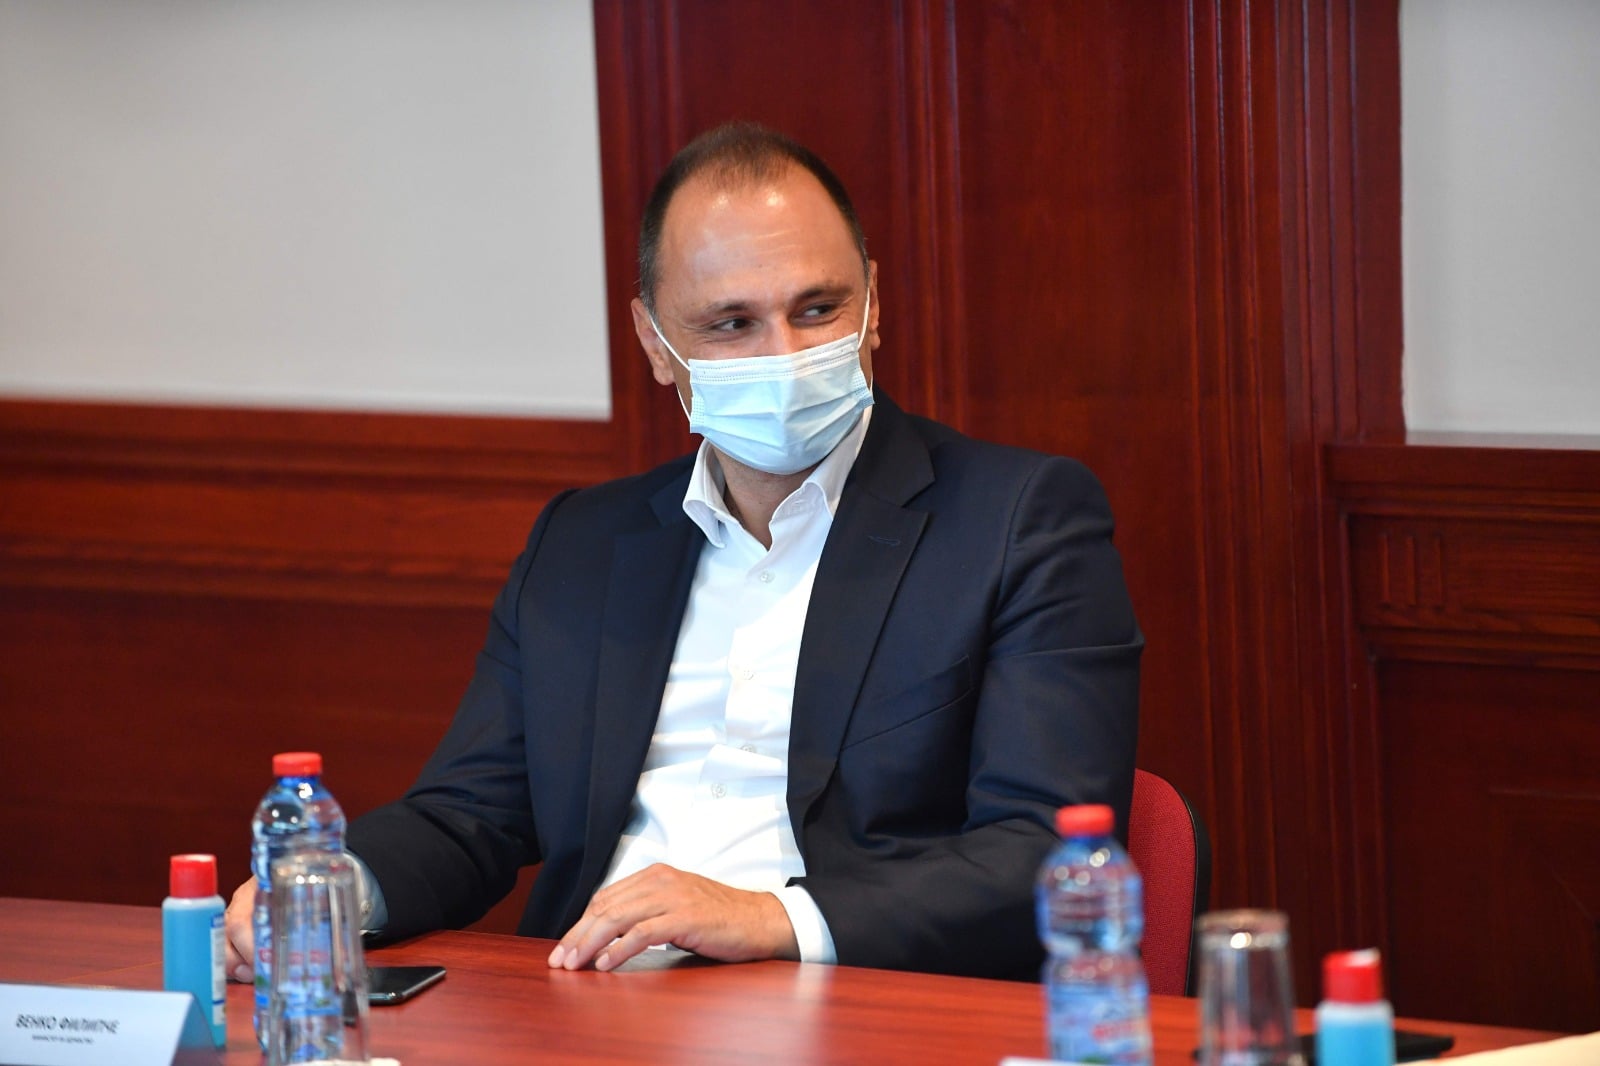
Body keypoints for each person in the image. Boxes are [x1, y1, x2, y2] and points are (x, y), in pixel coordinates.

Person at [224, 121, 1141, 981]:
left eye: (818, 308)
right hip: (588, 1004)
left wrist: (773, 919)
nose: (784, 354)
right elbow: (470, 813)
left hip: (846, 997)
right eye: (730, 324)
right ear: (656, 345)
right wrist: (334, 887)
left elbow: (1043, 848)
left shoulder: (1016, 520)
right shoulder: (584, 542)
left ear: (872, 306)